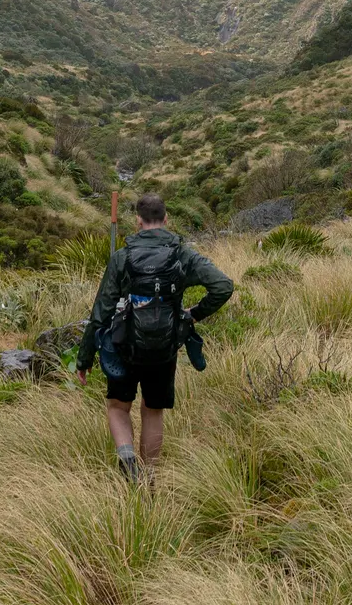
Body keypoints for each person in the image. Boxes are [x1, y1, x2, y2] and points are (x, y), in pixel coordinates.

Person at [75, 193, 234, 481]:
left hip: (124, 346)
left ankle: (126, 458)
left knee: (117, 407)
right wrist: (193, 314)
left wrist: (85, 357)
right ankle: (148, 478)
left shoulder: (122, 257)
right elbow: (223, 286)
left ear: (137, 220)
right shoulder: (182, 255)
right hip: (164, 349)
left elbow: (101, 311)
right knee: (153, 411)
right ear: (166, 219)